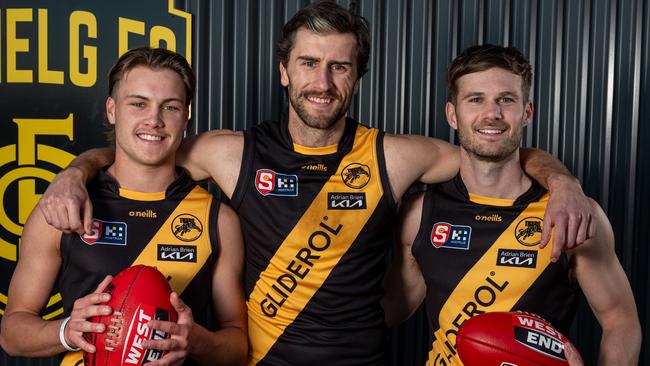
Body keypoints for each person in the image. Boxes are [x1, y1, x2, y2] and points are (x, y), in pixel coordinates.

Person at [36, 2, 595, 365]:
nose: (321, 83)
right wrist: (75, 172)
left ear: (357, 76)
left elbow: (492, 148)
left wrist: (564, 184)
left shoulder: (395, 155)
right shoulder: (229, 153)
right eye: (307, 64)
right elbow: (139, 147)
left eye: (339, 67)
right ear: (285, 72)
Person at [382, 44, 641, 366]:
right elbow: (393, 308)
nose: (492, 114)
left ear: (527, 112)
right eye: (476, 99)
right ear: (453, 114)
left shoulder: (569, 214)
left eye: (506, 100)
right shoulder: (420, 214)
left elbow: (621, 322)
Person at [0, 47, 248, 366]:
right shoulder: (64, 206)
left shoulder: (218, 220)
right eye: (138, 104)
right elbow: (11, 332)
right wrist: (65, 331)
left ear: (186, 115)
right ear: (112, 109)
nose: (154, 120)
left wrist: (198, 342)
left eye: (169, 107)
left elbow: (237, 345)